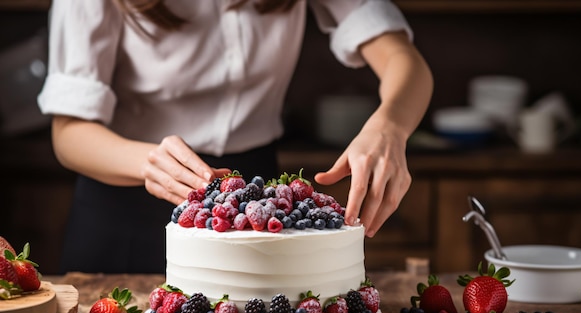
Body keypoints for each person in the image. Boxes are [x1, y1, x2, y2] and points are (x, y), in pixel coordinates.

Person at [38, 0, 433, 274]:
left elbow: (404, 61)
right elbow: (69, 134)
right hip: (124, 201)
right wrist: (145, 161)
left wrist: (390, 126)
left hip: (255, 195)